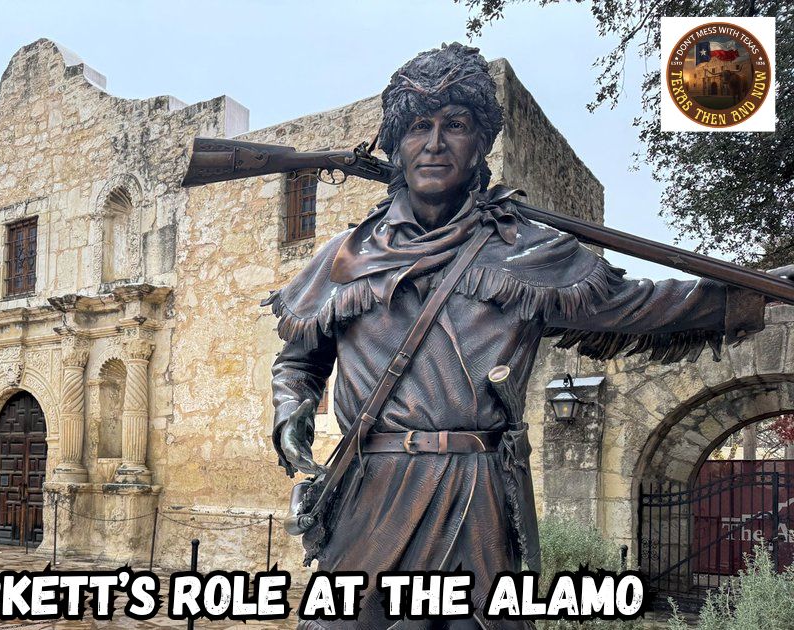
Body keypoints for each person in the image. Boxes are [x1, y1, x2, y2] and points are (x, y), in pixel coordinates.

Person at [265, 43, 788, 629]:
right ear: (395, 144)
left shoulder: (529, 252)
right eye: (417, 127)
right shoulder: (345, 256)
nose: (434, 143)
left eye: (455, 125)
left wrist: (758, 291)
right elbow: (299, 358)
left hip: (479, 492)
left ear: (480, 143)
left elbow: (640, 305)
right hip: (374, 490)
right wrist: (291, 411)